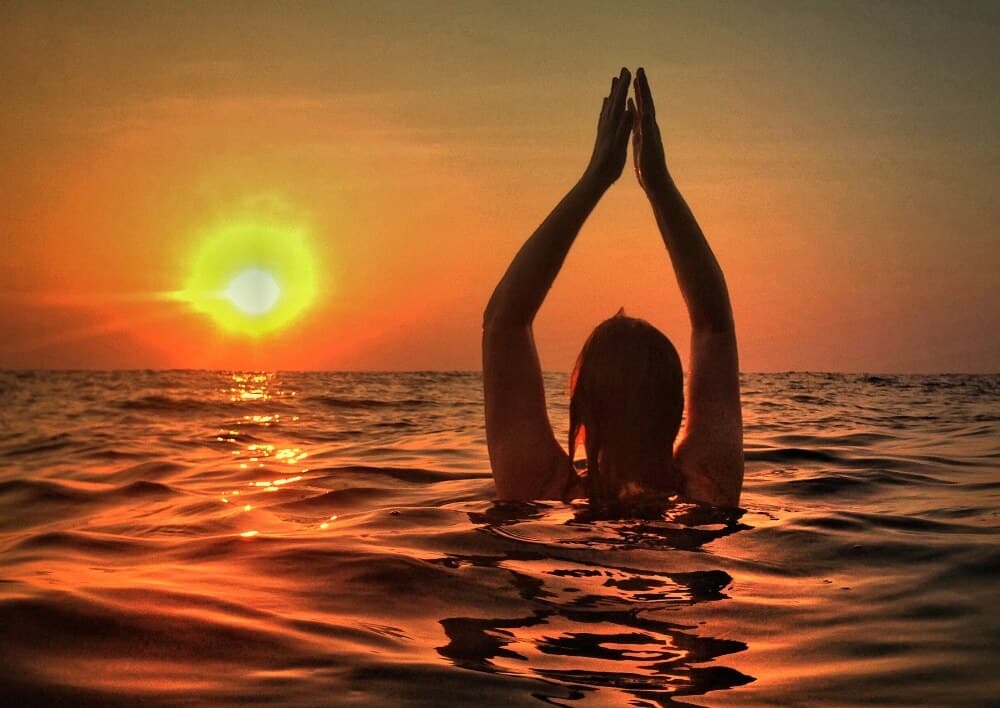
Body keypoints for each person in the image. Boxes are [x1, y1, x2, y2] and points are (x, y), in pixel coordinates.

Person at [482, 68, 743, 510]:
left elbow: (504, 322)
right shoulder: (706, 487)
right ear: (679, 411)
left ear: (582, 417)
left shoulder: (544, 491)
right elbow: (713, 326)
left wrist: (595, 178)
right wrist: (658, 183)